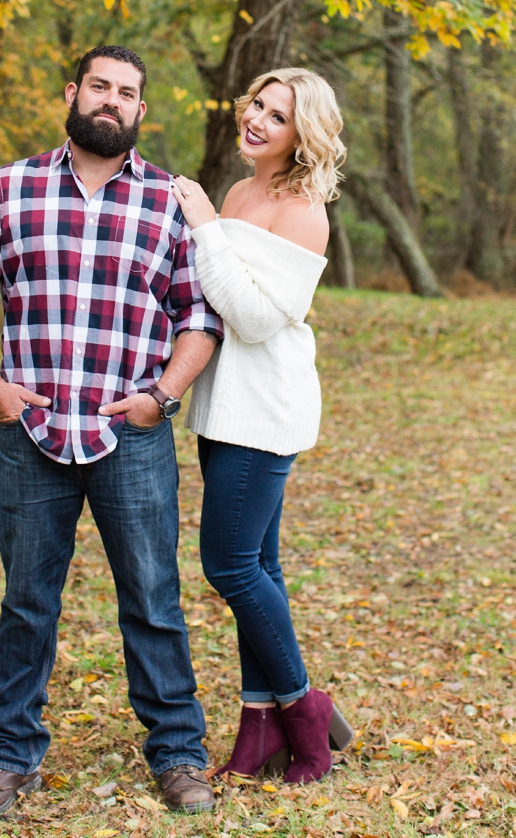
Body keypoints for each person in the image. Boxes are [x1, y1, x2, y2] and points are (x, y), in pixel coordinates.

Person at [0, 45, 222, 820]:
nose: (111, 101)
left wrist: (161, 399)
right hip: (32, 434)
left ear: (140, 111)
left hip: (130, 437)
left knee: (154, 598)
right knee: (27, 603)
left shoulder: (170, 201)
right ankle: (6, 758)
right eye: (100, 86)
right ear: (73, 92)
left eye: (127, 93)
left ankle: (176, 753)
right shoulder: (11, 186)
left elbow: (200, 314)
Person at [170, 67, 350, 784]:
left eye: (277, 115)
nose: (257, 120)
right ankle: (259, 727)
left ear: (300, 134)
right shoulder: (244, 190)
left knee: (230, 566)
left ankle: (307, 712)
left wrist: (207, 228)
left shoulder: (304, 211)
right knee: (261, 568)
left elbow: (252, 316)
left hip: (265, 413)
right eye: (257, 105)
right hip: (223, 408)